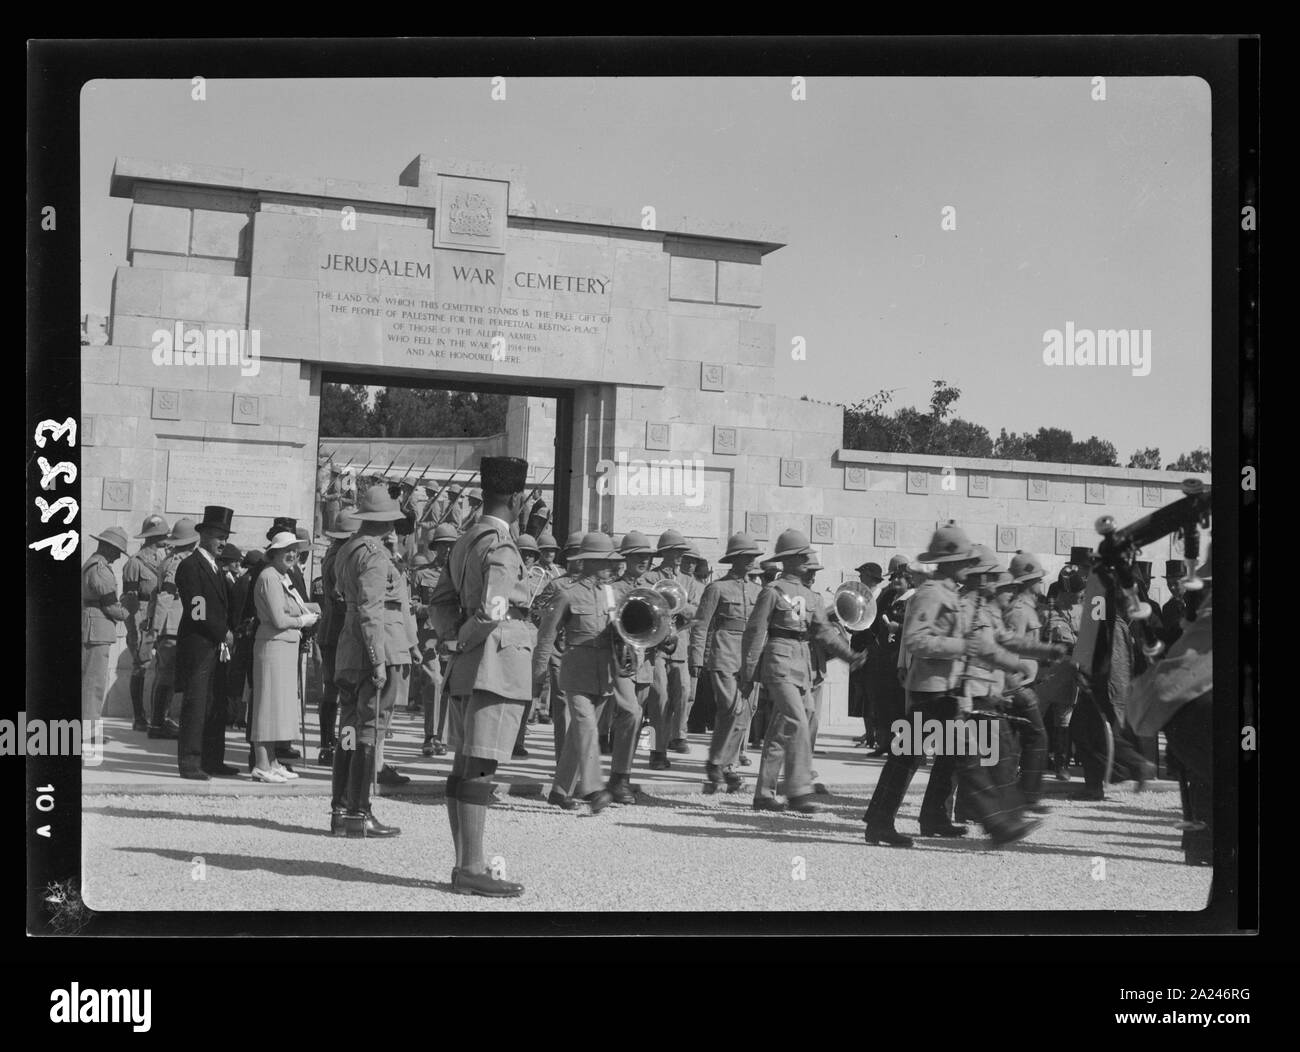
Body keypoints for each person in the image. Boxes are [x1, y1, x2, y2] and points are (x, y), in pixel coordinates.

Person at [861, 523, 1040, 847]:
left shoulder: (948, 595)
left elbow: (978, 642)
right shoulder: (931, 594)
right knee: (965, 755)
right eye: (963, 560)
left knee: (908, 757)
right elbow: (915, 640)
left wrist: (1014, 661)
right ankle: (998, 825)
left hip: (942, 688)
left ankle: (893, 821)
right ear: (950, 562)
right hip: (931, 690)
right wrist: (960, 648)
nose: (968, 566)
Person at [432, 457, 533, 895]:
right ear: (516, 498)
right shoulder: (503, 545)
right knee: (480, 767)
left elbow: (439, 600)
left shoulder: (465, 539)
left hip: (468, 667)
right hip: (494, 664)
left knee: (463, 765)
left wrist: (452, 636)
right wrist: (468, 637)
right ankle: (471, 868)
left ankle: (463, 865)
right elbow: (494, 610)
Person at [742, 529, 863, 814]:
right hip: (779, 661)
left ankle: (763, 794)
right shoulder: (772, 592)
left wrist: (851, 656)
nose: (808, 562)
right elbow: (755, 633)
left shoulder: (813, 597)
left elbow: (825, 634)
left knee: (788, 727)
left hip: (803, 666)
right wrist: (747, 673)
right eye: (803, 556)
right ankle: (798, 792)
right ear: (792, 559)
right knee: (796, 720)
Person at [332, 485, 417, 838]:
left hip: (351, 648)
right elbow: (372, 610)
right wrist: (378, 660)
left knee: (350, 726)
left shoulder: (348, 548)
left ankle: (341, 810)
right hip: (377, 647)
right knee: (371, 728)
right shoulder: (376, 555)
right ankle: (359, 812)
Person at [1128, 544, 1212, 866]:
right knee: (1198, 775)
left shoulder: (1188, 605)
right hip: (1187, 687)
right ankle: (1199, 844)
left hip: (1181, 690)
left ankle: (1200, 845)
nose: (1177, 584)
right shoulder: (1182, 607)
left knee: (1198, 776)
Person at [533, 532, 628, 813]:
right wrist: (537, 676)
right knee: (586, 727)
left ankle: (559, 791)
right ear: (587, 562)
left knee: (579, 732)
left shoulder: (614, 594)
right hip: (575, 672)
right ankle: (594, 788)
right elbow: (546, 636)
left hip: (604, 675)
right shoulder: (567, 593)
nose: (610, 567)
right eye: (604, 562)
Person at [691, 533, 764, 792]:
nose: (751, 561)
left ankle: (726, 766)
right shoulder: (717, 588)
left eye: (753, 557)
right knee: (732, 708)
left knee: (743, 713)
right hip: (723, 652)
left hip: (749, 657)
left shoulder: (759, 591)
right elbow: (701, 625)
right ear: (734, 559)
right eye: (746, 557)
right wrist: (697, 656)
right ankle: (716, 762)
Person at [175, 506, 238, 780]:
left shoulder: (216, 567)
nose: (222, 542)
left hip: (215, 645)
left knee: (215, 704)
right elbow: (197, 609)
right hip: (200, 643)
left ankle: (213, 759)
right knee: (197, 703)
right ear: (203, 535)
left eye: (225, 536)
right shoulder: (191, 566)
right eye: (217, 536)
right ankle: (190, 762)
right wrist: (222, 632)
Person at [251, 532, 319, 782]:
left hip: (284, 646)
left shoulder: (282, 576)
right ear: (274, 553)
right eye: (286, 550)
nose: (292, 554)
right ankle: (261, 763)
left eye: (294, 550)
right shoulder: (269, 576)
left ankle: (272, 761)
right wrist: (303, 620)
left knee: (278, 707)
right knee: (267, 706)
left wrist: (308, 611)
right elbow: (279, 619)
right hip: (273, 645)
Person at [603, 530, 658, 796]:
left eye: (647, 556)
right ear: (626, 557)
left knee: (636, 719)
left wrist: (667, 637)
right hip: (618, 660)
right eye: (638, 556)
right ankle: (617, 778)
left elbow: (659, 626)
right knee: (631, 714)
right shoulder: (613, 589)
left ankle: (622, 774)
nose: (644, 561)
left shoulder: (650, 590)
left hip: (644, 662)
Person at [530, 531, 585, 763]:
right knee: (562, 700)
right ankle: (563, 757)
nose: (579, 560)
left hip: (584, 650)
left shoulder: (595, 586)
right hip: (559, 649)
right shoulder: (557, 585)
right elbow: (536, 610)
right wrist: (553, 623)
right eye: (574, 555)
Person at [144, 519, 199, 740]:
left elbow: (154, 596)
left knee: (167, 675)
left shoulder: (168, 559)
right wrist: (156, 627)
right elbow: (166, 595)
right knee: (167, 676)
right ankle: (158, 723)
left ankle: (160, 721)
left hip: (172, 625)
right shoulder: (178, 562)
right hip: (174, 626)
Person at [316, 507, 358, 765]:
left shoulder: (333, 554)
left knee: (333, 691)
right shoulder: (340, 559)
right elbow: (342, 598)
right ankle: (335, 746)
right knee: (344, 693)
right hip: (340, 631)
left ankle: (328, 745)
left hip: (332, 630)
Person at [121, 515, 169, 732]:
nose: (165, 539)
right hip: (141, 615)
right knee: (141, 666)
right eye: (162, 535)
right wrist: (136, 626)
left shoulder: (164, 559)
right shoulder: (135, 562)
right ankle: (138, 716)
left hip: (158, 614)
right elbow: (130, 597)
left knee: (162, 665)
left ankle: (159, 716)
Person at [81, 526, 130, 732]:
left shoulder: (93, 564)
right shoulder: (100, 568)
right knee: (94, 683)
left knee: (91, 682)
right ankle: (88, 732)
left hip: (94, 627)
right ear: (107, 547)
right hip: (96, 630)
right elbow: (110, 605)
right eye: (117, 550)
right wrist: (128, 611)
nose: (119, 556)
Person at [416, 523, 458, 757]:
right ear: (435, 549)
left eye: (451, 547)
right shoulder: (422, 575)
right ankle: (430, 737)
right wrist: (432, 610)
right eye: (443, 547)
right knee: (434, 682)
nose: (447, 551)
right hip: (430, 636)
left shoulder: (460, 578)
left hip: (451, 636)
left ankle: (441, 737)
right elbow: (411, 604)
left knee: (449, 686)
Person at [511, 532, 548, 755]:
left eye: (531, 555)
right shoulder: (508, 574)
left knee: (527, 690)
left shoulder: (541, 578)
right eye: (523, 554)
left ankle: (519, 740)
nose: (527, 559)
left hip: (532, 633)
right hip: (512, 628)